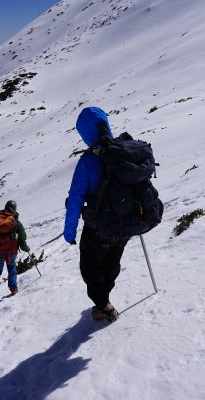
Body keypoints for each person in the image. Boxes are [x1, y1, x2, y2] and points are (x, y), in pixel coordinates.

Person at [63, 107, 130, 322]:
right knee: (111, 264)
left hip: (98, 228)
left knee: (90, 268)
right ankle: (104, 299)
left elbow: (75, 200)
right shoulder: (125, 150)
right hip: (124, 225)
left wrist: (69, 232)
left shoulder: (88, 161)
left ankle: (103, 305)